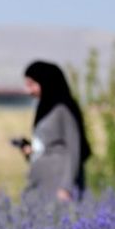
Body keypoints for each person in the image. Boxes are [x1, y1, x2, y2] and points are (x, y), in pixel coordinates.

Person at [19, 61, 90, 202]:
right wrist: (30, 149)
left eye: (32, 84)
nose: (28, 91)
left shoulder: (63, 110)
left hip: (58, 184)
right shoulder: (45, 108)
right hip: (40, 181)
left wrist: (66, 187)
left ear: (45, 82)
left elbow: (74, 149)